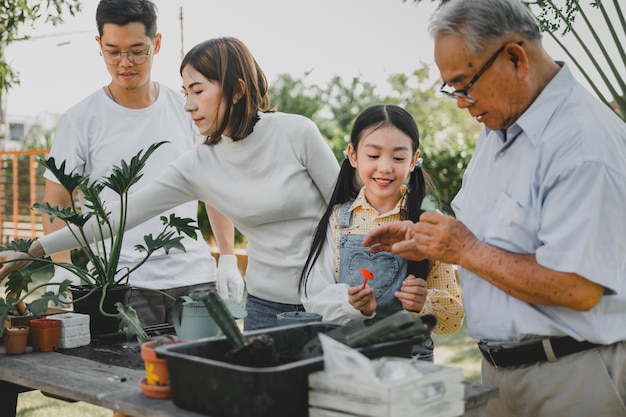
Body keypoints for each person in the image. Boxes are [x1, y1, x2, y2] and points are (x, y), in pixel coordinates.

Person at [362, 0, 626, 416]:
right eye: (452, 88)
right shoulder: (498, 128)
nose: (461, 102)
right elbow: (492, 237)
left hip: (571, 378)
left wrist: (464, 249)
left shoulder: (582, 144)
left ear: (515, 58)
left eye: (465, 84)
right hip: (500, 374)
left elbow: (579, 286)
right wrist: (430, 240)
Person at [0, 36, 340, 331]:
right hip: (264, 307)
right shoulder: (200, 162)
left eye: (198, 91)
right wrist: (36, 249)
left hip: (327, 302)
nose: (188, 105)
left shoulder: (298, 133)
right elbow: (118, 217)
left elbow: (351, 210)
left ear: (236, 90)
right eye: (184, 92)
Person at [42, 0, 243, 327]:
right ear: (99, 45)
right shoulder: (79, 120)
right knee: (130, 376)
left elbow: (214, 187)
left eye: (137, 51)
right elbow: (57, 202)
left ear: (157, 43)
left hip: (194, 276)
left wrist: (228, 257)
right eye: (113, 51)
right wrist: (61, 269)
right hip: (118, 284)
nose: (125, 63)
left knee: (204, 374)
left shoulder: (188, 110)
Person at [299, 104, 464, 361]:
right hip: (349, 357)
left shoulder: (430, 223)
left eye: (398, 158)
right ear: (353, 156)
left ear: (413, 160)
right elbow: (314, 297)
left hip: (412, 362)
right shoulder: (336, 219)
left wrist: (425, 302)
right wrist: (350, 305)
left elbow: (454, 318)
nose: (385, 168)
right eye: (373, 156)